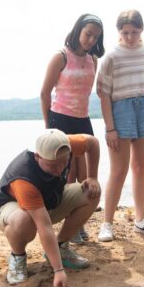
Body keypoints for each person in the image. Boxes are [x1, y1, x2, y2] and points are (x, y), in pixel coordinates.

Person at [0, 129, 101, 287]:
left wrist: (92, 177)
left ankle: (61, 247)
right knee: (24, 220)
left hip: (48, 200)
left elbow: (93, 143)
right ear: (37, 157)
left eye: (64, 163)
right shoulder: (24, 177)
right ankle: (17, 258)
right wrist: (59, 271)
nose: (59, 170)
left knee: (92, 193)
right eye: (53, 165)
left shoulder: (65, 144)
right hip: (9, 209)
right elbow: (45, 226)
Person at [96, 10, 144, 242]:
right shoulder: (111, 57)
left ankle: (141, 220)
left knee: (140, 168)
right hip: (121, 111)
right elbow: (104, 95)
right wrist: (110, 128)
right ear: (119, 32)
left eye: (134, 32)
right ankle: (107, 223)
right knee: (118, 170)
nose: (129, 37)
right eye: (125, 32)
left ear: (141, 31)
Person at [39, 13, 105, 243]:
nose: (90, 40)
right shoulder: (61, 57)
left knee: (86, 177)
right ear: (78, 30)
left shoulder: (93, 60)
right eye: (88, 34)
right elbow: (45, 93)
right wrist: (49, 127)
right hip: (60, 119)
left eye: (95, 37)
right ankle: (66, 227)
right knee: (66, 176)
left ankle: (78, 224)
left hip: (82, 119)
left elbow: (88, 92)